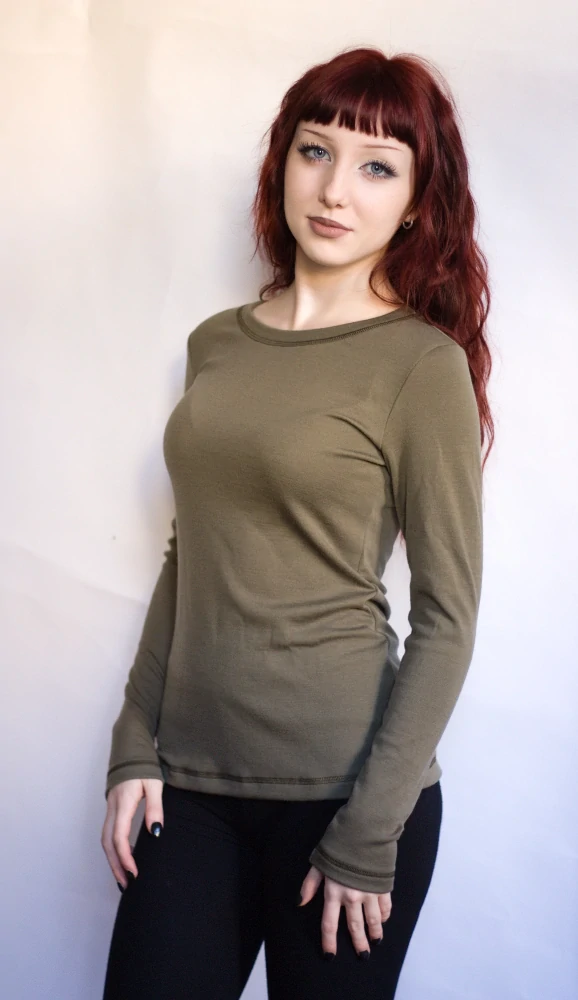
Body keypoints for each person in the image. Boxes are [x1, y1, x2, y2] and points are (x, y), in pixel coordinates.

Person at [100, 45, 494, 1000]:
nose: (334, 189)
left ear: (417, 201)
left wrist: (371, 830)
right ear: (282, 161)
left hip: (345, 800)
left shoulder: (420, 366)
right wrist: (134, 740)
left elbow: (448, 617)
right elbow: (190, 556)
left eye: (377, 167)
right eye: (315, 150)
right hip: (189, 791)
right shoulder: (216, 345)